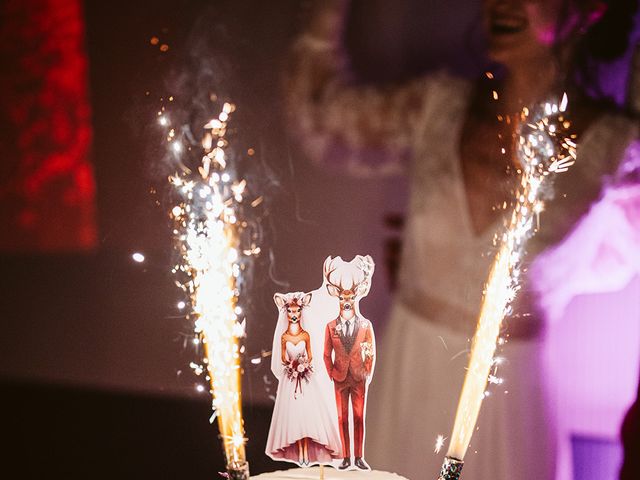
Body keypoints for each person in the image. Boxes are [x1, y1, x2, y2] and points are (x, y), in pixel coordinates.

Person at [285, 1, 639, 479]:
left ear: (587, 9)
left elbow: (619, 257)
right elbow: (322, 118)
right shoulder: (437, 106)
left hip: (511, 402)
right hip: (406, 380)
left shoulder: (617, 148)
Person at [266, 292, 342, 466]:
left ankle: (308, 452)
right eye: (291, 312)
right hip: (290, 382)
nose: (294, 315)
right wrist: (292, 366)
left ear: (301, 312)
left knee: (308, 416)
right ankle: (299, 453)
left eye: (297, 311)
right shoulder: (284, 337)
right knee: (294, 418)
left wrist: (303, 365)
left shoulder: (306, 335)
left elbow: (310, 355)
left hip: (306, 380)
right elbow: (283, 358)